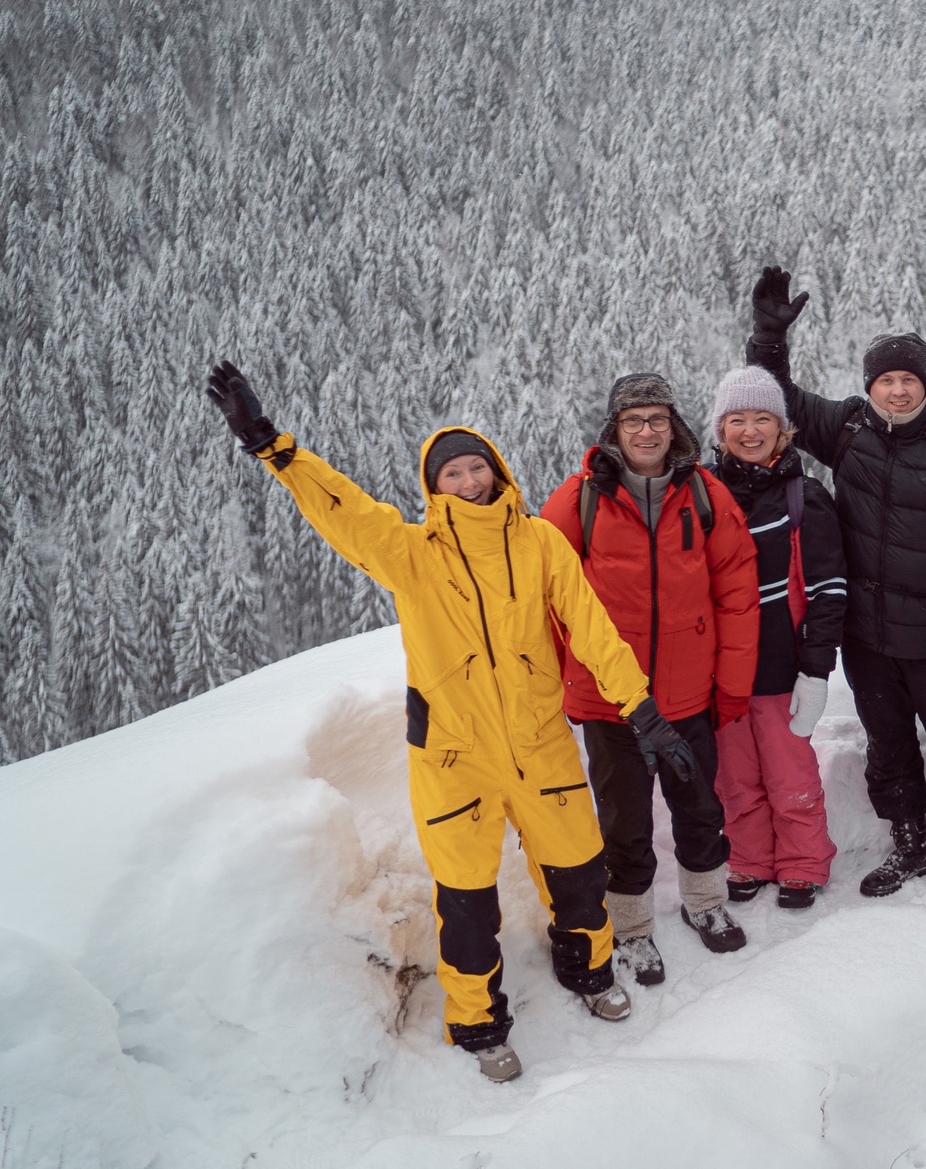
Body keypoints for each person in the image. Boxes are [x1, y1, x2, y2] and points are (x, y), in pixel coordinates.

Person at [204, 363, 683, 1083]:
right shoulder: (412, 554)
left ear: (496, 471)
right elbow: (344, 510)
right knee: (466, 899)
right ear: (435, 486)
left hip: (540, 741)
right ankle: (478, 1019)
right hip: (455, 757)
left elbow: (592, 628)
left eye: (476, 467)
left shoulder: (539, 543)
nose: (468, 480)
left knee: (580, 870)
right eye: (452, 472)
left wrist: (640, 707)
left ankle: (588, 970)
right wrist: (277, 448)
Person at [747, 269, 926, 895]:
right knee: (887, 747)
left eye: (908, 379)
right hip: (866, 637)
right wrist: (768, 337)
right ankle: (911, 847)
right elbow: (775, 398)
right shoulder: (848, 430)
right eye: (886, 380)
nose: (897, 391)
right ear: (870, 386)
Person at [541, 373, 759, 982]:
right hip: (613, 703)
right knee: (626, 821)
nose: (645, 431)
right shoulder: (578, 499)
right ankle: (632, 926)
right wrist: (570, 679)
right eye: (633, 420)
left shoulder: (706, 494)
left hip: (690, 696)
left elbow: (737, 595)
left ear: (674, 426)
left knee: (698, 808)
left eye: (656, 419)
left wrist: (732, 683)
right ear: (614, 429)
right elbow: (548, 599)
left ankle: (706, 904)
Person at [705, 366, 849, 910]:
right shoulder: (701, 494)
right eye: (736, 419)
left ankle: (803, 862)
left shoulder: (802, 496)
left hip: (781, 671)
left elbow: (829, 590)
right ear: (721, 429)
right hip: (721, 674)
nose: (749, 430)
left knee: (790, 775)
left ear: (782, 428)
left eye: (762, 418)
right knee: (735, 778)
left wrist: (815, 671)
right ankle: (749, 858)